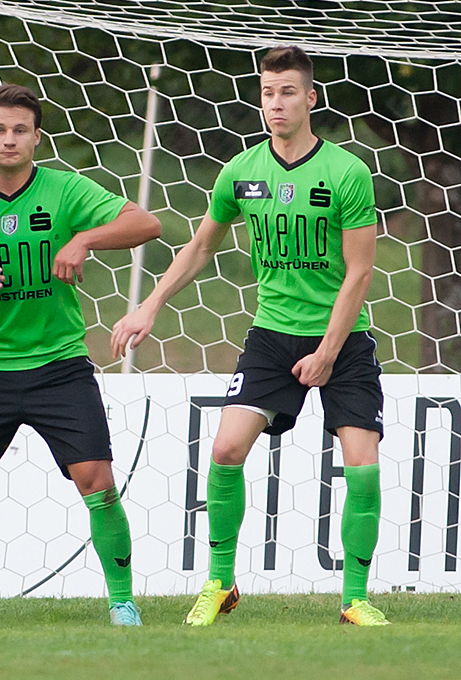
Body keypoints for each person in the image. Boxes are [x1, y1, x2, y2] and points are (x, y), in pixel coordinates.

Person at [111, 46, 387, 627]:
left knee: (362, 463)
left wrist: (328, 353)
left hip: (343, 340)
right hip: (270, 337)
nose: (276, 103)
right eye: (267, 92)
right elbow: (200, 246)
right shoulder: (240, 172)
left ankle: (355, 598)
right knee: (224, 450)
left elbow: (359, 271)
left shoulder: (346, 172)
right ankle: (220, 583)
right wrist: (151, 306)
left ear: (310, 98)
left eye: (288, 91)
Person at [0, 84, 160, 626]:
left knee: (98, 480)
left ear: (36, 137)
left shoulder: (65, 191)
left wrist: (84, 240)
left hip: (59, 367)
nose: (9, 139)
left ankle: (122, 601)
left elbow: (146, 224)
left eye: (20, 129)